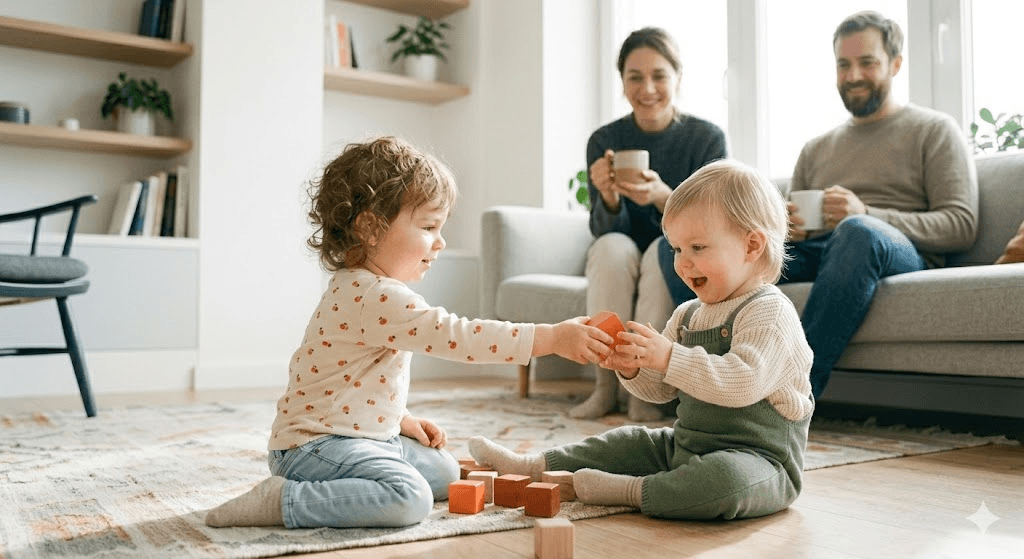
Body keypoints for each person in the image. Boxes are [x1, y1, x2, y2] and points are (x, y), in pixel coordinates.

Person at [205, 137, 616, 529]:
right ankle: (285, 501)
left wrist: (398, 418)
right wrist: (550, 338)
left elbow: (344, 383)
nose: (439, 243)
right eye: (428, 227)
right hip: (312, 448)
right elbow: (459, 336)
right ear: (370, 228)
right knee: (410, 498)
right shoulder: (375, 296)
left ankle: (339, 482)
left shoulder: (369, 291)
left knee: (445, 471)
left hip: (355, 436)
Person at [470, 159, 814, 521]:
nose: (683, 263)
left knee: (723, 480)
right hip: (686, 447)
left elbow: (743, 382)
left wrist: (668, 357)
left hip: (760, 463)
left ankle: (629, 491)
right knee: (627, 439)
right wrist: (634, 368)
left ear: (752, 246)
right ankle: (532, 465)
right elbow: (661, 391)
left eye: (697, 247)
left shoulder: (770, 312)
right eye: (677, 249)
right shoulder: (688, 313)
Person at [782, 11, 978, 398]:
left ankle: (792, 395)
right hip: (823, 251)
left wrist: (867, 214)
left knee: (857, 232)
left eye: (867, 62)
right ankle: (709, 384)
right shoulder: (815, 149)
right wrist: (785, 230)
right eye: (844, 64)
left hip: (897, 252)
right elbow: (791, 230)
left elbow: (961, 224)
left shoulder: (934, 130)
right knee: (714, 243)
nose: (853, 75)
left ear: (895, 64)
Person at [575, 27, 729, 422]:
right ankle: (606, 385)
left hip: (677, 247)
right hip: (623, 244)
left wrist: (665, 197)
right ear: (622, 81)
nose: (648, 88)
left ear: (678, 78)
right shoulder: (605, 140)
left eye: (659, 75)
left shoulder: (706, 138)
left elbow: (714, 221)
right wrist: (609, 196)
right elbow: (604, 228)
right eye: (635, 77)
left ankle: (646, 389)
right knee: (610, 248)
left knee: (665, 252)